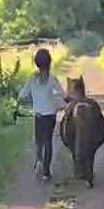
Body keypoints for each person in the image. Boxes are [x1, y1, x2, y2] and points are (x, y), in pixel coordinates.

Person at [15, 47, 65, 180]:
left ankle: (38, 160)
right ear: (49, 62)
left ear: (36, 63)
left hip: (38, 116)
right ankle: (46, 172)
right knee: (48, 142)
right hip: (50, 116)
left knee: (39, 141)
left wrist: (20, 96)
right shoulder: (52, 79)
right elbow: (62, 93)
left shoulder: (32, 79)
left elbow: (22, 95)